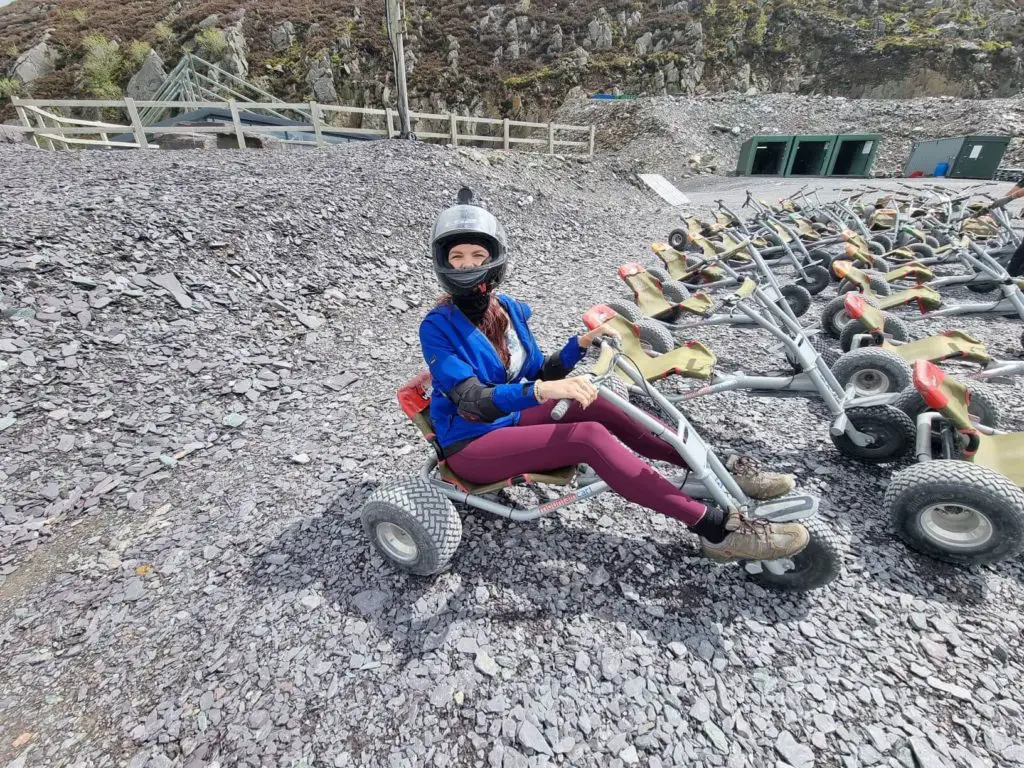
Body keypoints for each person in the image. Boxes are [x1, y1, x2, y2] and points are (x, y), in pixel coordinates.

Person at [417, 189, 809, 563]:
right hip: (471, 442)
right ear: (443, 263)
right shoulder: (436, 326)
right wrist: (542, 390)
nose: (468, 265)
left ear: (495, 258)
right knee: (588, 437)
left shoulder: (508, 311)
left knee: (601, 401)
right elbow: (473, 401)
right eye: (458, 257)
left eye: (477, 254)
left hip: (511, 418)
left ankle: (717, 470)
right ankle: (717, 532)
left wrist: (580, 344)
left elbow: (534, 372)